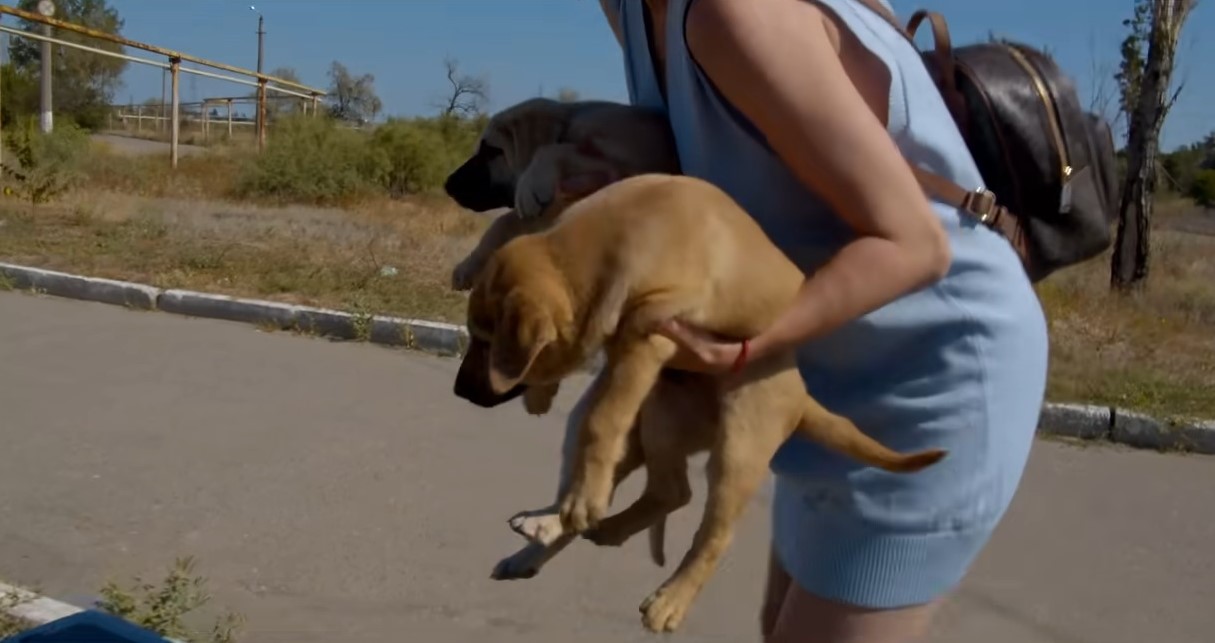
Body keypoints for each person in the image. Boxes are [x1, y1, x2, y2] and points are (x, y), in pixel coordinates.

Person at [588, 0, 1051, 641]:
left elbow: (914, 244)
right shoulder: (634, 11)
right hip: (828, 380)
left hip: (935, 380)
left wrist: (744, 350)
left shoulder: (734, 15)